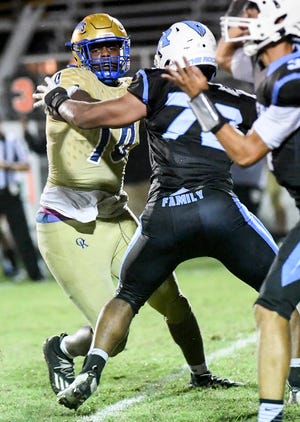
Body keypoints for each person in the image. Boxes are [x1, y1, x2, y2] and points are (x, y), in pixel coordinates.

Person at [33, 19, 281, 410]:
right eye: (98, 49)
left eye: (114, 47)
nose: (108, 56)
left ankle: (201, 373)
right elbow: (80, 105)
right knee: (119, 331)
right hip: (69, 216)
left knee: (172, 303)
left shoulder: (145, 83)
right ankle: (60, 347)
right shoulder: (74, 77)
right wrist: (60, 99)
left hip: (119, 210)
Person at [161, 1, 300, 420]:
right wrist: (232, 41)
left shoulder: (288, 83)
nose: (244, 22)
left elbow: (244, 153)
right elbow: (227, 62)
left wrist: (201, 102)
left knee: (272, 307)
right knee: (279, 305)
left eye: (254, 14)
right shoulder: (279, 71)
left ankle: (270, 413)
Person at [0, 121, 44, 281]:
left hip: (9, 193)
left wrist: (7, 166)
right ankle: (11, 267)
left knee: (21, 234)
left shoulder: (11, 141)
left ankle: (35, 274)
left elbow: (25, 165)